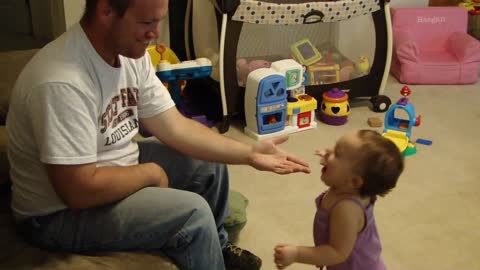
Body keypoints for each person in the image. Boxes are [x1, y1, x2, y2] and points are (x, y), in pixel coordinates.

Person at [5, 1, 311, 270]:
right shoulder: (61, 82)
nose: (155, 33)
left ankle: (215, 249)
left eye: (159, 21)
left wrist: (249, 153)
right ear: (106, 10)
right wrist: (148, 174)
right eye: (147, 22)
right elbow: (78, 190)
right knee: (192, 215)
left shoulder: (129, 52)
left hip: (110, 169)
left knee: (208, 164)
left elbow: (173, 126)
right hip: (56, 215)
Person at [274, 129, 404, 270]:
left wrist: (297, 254)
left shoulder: (347, 209)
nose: (329, 150)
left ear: (355, 181)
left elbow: (337, 252)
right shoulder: (349, 186)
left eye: (338, 153)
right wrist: (333, 160)